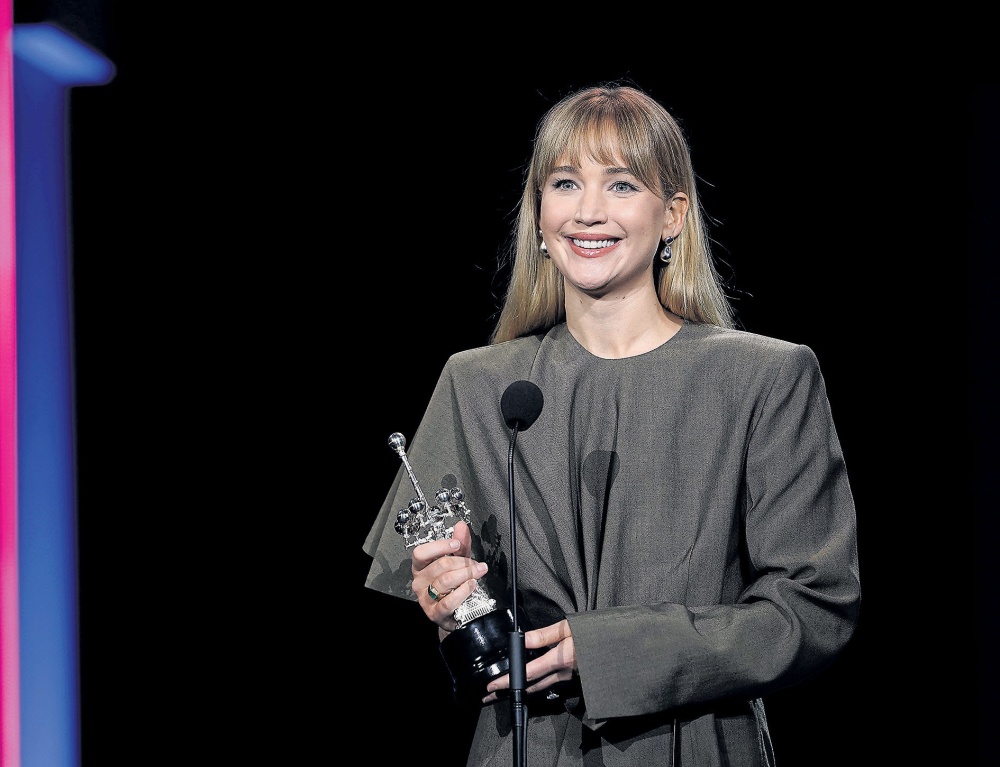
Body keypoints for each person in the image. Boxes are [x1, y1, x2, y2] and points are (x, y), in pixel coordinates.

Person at [362, 82, 861, 766]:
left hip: (697, 744)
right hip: (525, 744)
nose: (588, 211)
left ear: (673, 215)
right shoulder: (476, 384)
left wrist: (608, 652)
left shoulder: (766, 378)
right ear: (539, 215)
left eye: (621, 184)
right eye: (565, 183)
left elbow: (812, 609)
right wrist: (447, 598)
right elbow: (449, 607)